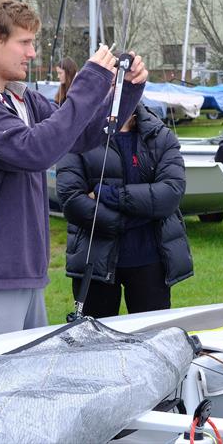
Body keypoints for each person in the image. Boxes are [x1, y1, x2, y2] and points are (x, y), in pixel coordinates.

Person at [0, 0, 147, 343]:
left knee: (24, 390)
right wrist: (91, 78)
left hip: (24, 272)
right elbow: (34, 151)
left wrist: (127, 90)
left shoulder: (20, 98)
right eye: (24, 42)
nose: (32, 53)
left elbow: (80, 137)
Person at [56, 102, 193, 318]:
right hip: (95, 261)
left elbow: (170, 193)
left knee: (151, 340)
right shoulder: (80, 135)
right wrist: (131, 220)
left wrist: (104, 192)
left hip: (150, 262)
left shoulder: (160, 135)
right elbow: (72, 199)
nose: (117, 85)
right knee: (95, 343)